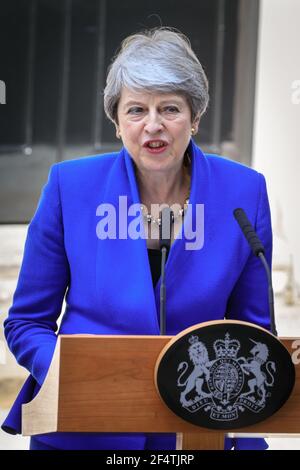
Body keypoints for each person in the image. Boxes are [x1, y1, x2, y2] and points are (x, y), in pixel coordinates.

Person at [2, 27, 271, 450]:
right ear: (116, 122)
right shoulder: (69, 187)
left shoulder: (244, 192)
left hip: (196, 430)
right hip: (83, 425)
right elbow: (26, 323)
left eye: (170, 108)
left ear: (195, 117)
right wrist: (75, 372)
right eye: (135, 110)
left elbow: (254, 330)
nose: (153, 125)